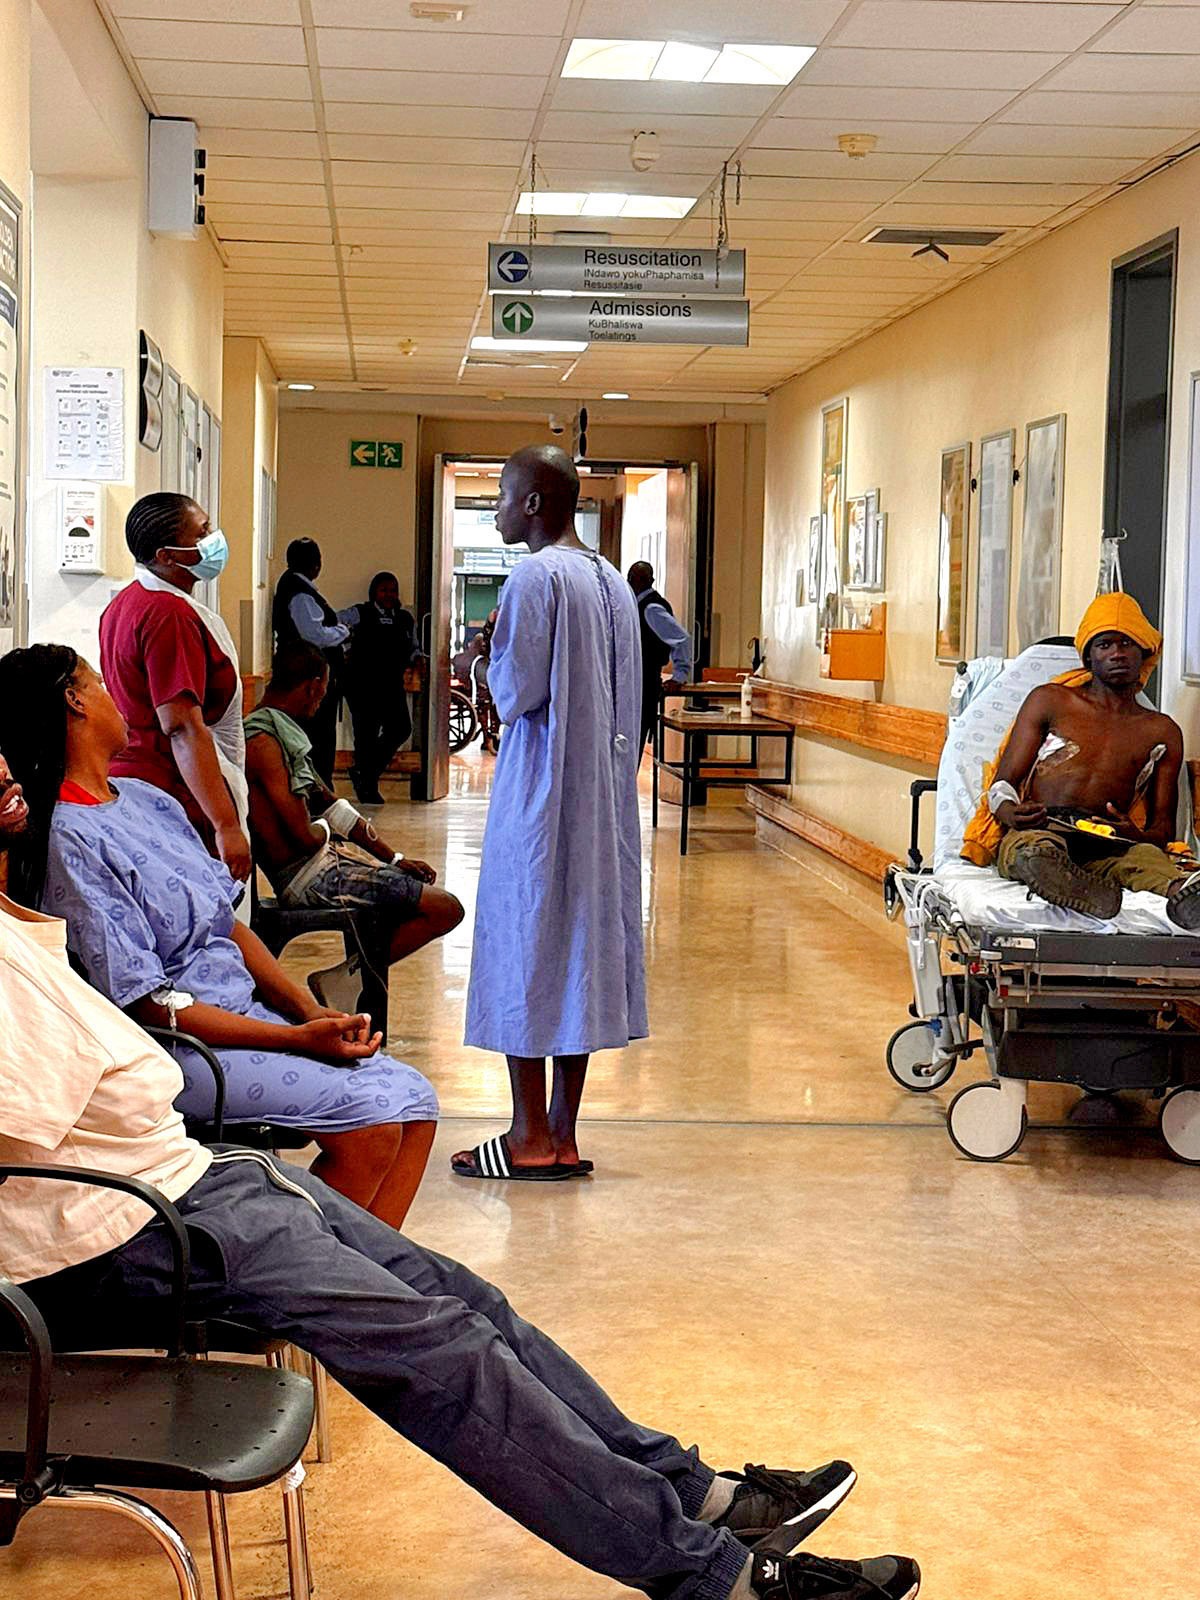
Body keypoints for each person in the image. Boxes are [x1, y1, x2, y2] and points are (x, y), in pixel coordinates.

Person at [0, 760, 920, 1600]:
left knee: (466, 1297)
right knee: (441, 1351)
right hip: (120, 1222)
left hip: (189, 1173)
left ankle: (693, 1490)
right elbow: (78, 1083)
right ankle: (718, 1580)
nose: (5, 768)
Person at [0, 645, 438, 1228]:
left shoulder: (149, 801)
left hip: (250, 1019)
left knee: (416, 1099)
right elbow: (146, 1001)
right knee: (372, 1116)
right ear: (75, 702)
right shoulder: (72, 838)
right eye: (99, 681)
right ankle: (319, 1285)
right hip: (182, 1048)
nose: (115, 693)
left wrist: (310, 1014)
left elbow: (226, 925)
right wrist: (296, 1041)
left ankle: (379, 1283)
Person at [458, 446, 646, 1183]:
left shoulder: (536, 576)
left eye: (502, 496)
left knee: (528, 940)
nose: (496, 509)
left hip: (541, 792)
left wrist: (485, 654)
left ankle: (526, 1134)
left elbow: (519, 691)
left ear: (534, 504)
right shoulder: (609, 579)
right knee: (583, 950)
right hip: (604, 796)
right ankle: (564, 1133)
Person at [245, 641, 464, 1013]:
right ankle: (344, 978)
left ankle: (348, 975)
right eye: (324, 689)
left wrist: (392, 858)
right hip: (311, 878)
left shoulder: (279, 734)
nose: (321, 700)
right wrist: (329, 833)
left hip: (327, 866)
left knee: (423, 897)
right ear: (315, 686)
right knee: (446, 908)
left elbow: (330, 806)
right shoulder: (262, 742)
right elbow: (303, 834)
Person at [967, 592, 1200, 927]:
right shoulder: (1051, 701)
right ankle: (1065, 880)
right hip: (1042, 826)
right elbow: (1002, 783)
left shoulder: (1161, 731)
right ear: (1088, 657)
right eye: (1105, 644)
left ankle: (1183, 894)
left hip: (1110, 844)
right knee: (1032, 852)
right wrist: (1010, 812)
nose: (1117, 653)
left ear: (1145, 652)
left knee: (1149, 860)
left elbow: (1163, 830)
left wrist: (1134, 834)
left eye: (1126, 643)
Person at [100, 493, 251, 883]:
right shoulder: (169, 616)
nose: (214, 538)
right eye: (202, 532)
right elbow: (182, 727)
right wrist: (225, 824)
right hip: (174, 788)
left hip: (139, 781)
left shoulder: (125, 604)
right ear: (167, 556)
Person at [273, 537, 355, 787]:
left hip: (306, 675)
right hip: (307, 676)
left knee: (318, 735)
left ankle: (319, 785)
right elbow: (314, 635)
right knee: (318, 736)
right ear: (317, 565)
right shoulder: (300, 594)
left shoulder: (295, 586)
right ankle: (318, 788)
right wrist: (344, 631)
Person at [344, 570, 423, 806]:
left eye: (393, 590)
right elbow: (332, 623)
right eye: (384, 590)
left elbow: (413, 646)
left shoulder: (405, 618)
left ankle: (363, 772)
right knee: (365, 737)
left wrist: (418, 658)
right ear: (374, 592)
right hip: (362, 686)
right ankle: (368, 787)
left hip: (391, 685)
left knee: (401, 728)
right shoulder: (359, 613)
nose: (389, 594)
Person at [628, 560, 694, 752]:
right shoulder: (640, 605)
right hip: (639, 683)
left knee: (633, 745)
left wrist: (680, 675)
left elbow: (682, 639)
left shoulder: (651, 608)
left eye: (633, 578)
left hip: (645, 684)